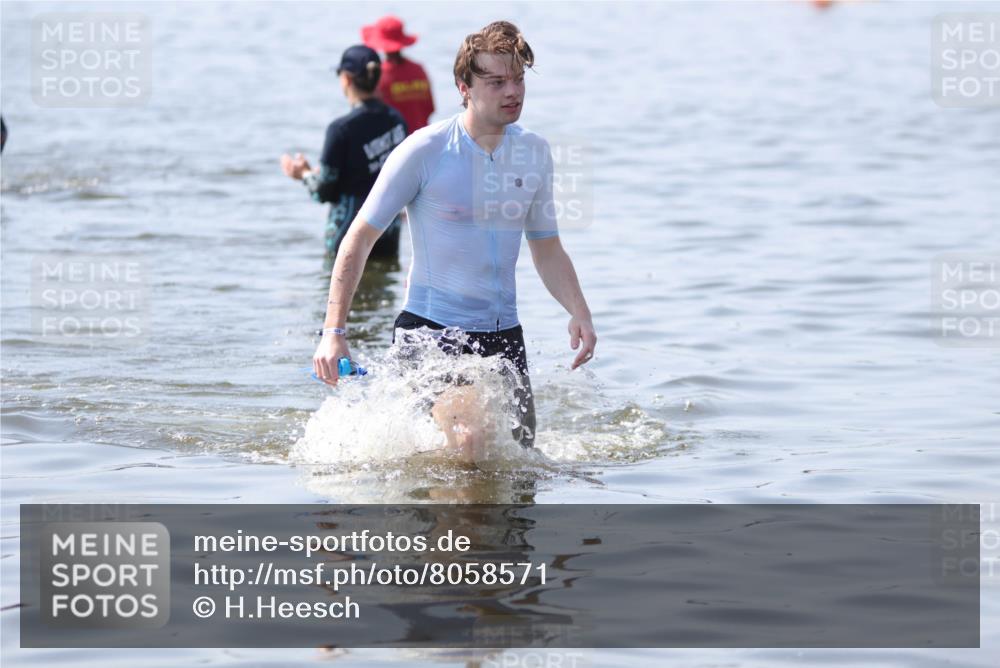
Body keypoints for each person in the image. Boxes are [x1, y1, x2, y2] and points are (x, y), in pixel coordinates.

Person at [312, 21, 597, 459]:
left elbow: (546, 246)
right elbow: (358, 239)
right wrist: (334, 332)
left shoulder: (534, 152)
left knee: (517, 465)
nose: (512, 91)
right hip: (432, 334)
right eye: (497, 81)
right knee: (471, 443)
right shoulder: (423, 151)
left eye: (518, 78)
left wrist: (579, 310)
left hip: (504, 338)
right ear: (464, 86)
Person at [281, 45, 407, 258]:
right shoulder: (397, 121)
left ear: (346, 78)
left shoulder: (340, 130)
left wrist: (303, 174)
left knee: (340, 290)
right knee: (383, 289)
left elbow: (323, 191)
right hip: (387, 234)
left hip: (349, 238)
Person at [362, 16, 435, 135]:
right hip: (423, 138)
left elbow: (373, 116)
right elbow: (430, 108)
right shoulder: (418, 70)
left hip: (396, 144)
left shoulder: (378, 74)